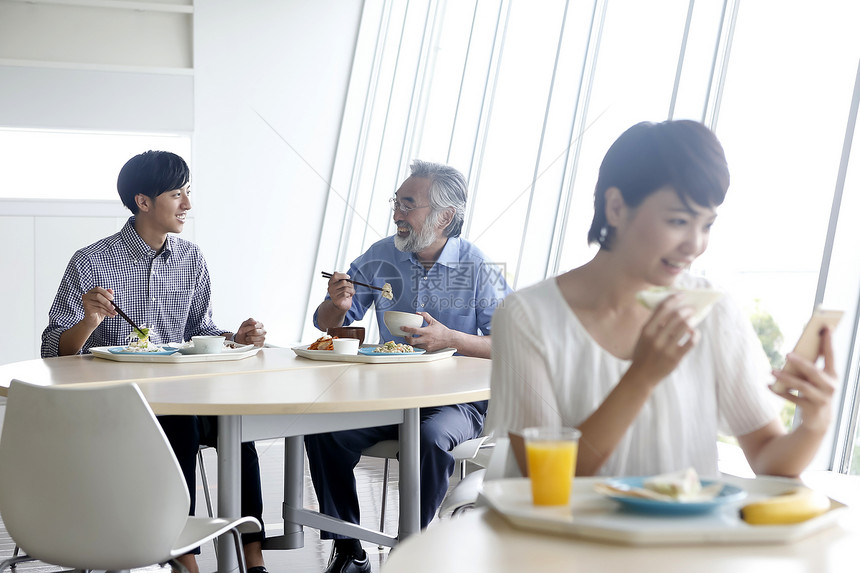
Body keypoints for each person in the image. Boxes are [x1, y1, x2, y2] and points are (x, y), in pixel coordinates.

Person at [486, 120, 836, 479]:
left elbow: (768, 458)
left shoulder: (712, 310)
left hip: (685, 535)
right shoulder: (526, 317)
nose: (695, 244)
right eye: (679, 221)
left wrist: (815, 423)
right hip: (562, 535)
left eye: (707, 225)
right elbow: (542, 479)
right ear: (617, 208)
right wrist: (641, 377)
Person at [41, 150, 270, 573]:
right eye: (176, 194)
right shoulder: (91, 261)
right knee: (177, 423)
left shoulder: (192, 259)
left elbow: (201, 328)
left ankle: (251, 558)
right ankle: (184, 557)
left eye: (188, 192)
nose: (187, 204)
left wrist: (234, 338)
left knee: (239, 424)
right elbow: (56, 349)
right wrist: (90, 319)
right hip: (117, 406)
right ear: (143, 201)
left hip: (181, 394)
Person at [307, 159, 511, 573]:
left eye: (408, 204)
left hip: (459, 404)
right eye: (396, 202)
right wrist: (337, 305)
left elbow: (512, 343)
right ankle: (350, 547)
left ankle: (411, 553)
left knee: (430, 438)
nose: (396, 213)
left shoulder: (478, 268)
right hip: (388, 396)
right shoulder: (381, 256)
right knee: (322, 429)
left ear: (444, 217)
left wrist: (451, 339)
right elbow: (328, 325)